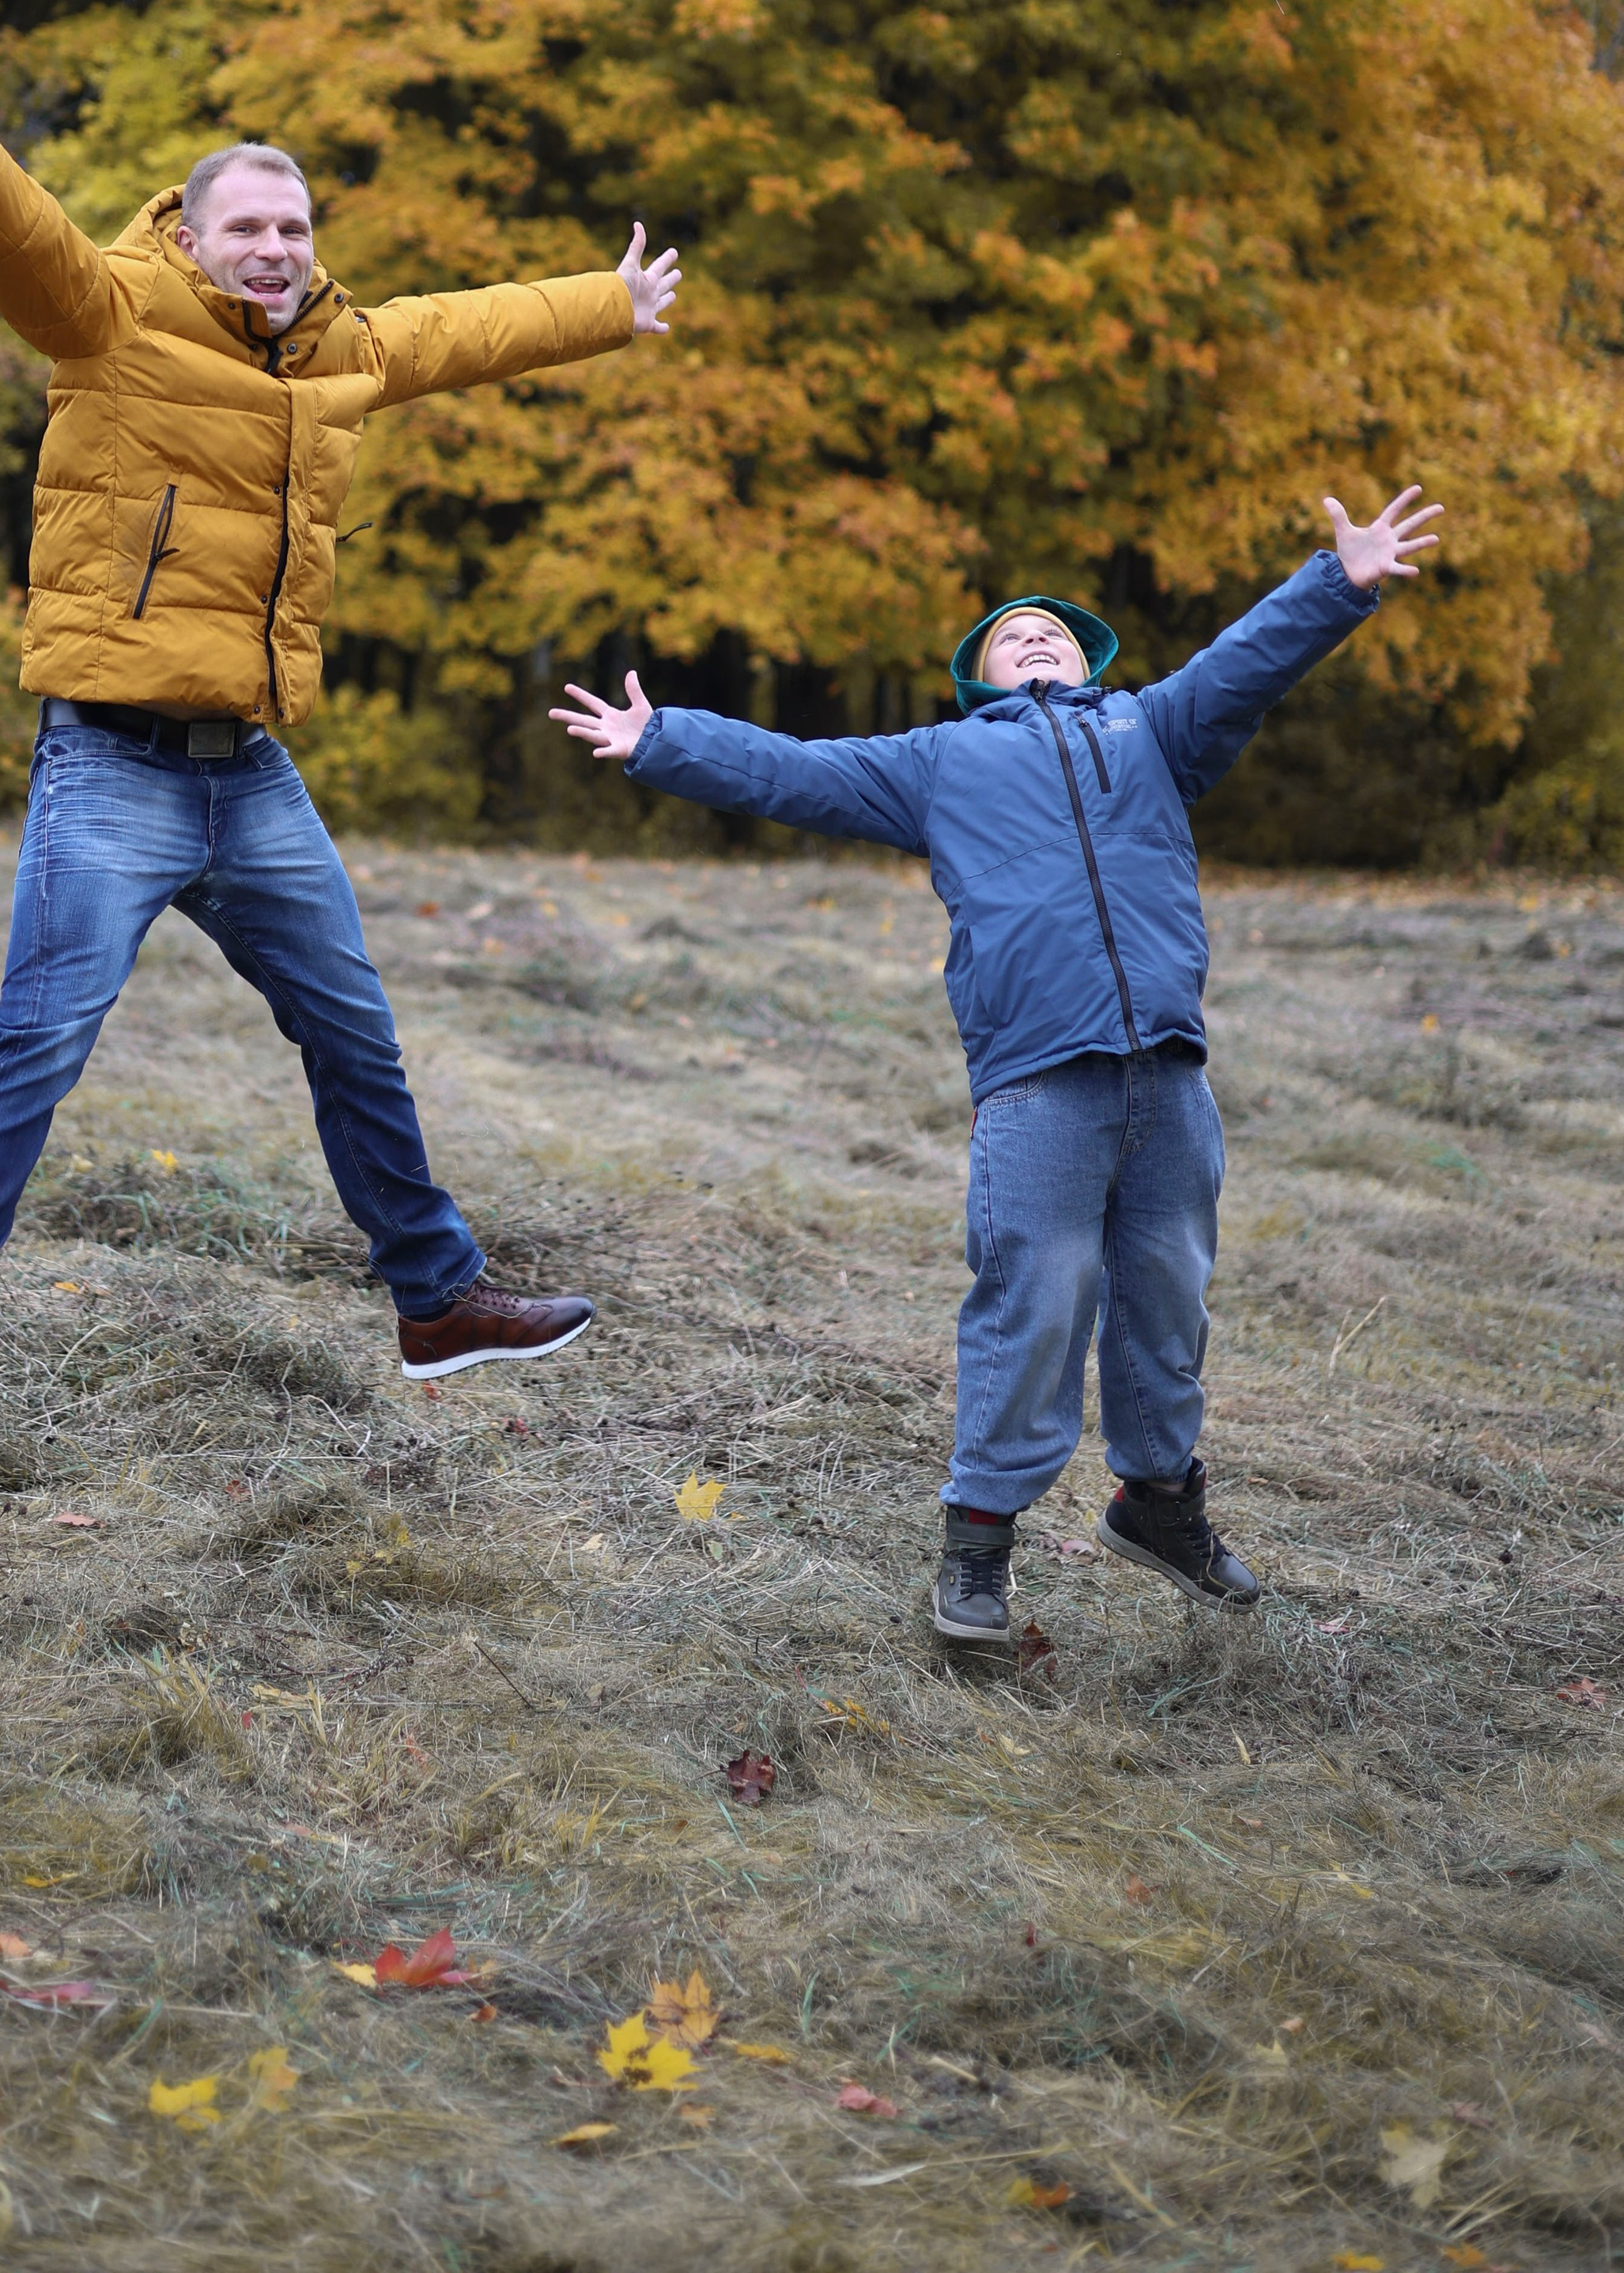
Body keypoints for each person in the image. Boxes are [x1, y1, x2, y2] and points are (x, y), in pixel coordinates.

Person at [0, 0, 682, 1435]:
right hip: (112, 764)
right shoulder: (106, 316)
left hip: (249, 773)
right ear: (188, 236)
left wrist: (608, 300)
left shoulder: (338, 350)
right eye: (246, 226)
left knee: (355, 1031)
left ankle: (437, 1298)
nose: (273, 247)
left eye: (294, 226)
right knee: (39, 1041)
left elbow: (465, 329)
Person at [549, 492, 1444, 1641]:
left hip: (1168, 1072)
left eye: (1055, 629)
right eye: (1009, 630)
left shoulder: (1153, 730)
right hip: (1037, 1077)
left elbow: (1246, 663)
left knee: (1169, 1296)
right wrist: (665, 740)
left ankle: (1162, 1504)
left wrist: (1340, 580)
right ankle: (978, 1548)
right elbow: (794, 768)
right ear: (977, 672)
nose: (1033, 632)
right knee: (1036, 1298)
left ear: (1089, 661)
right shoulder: (938, 762)